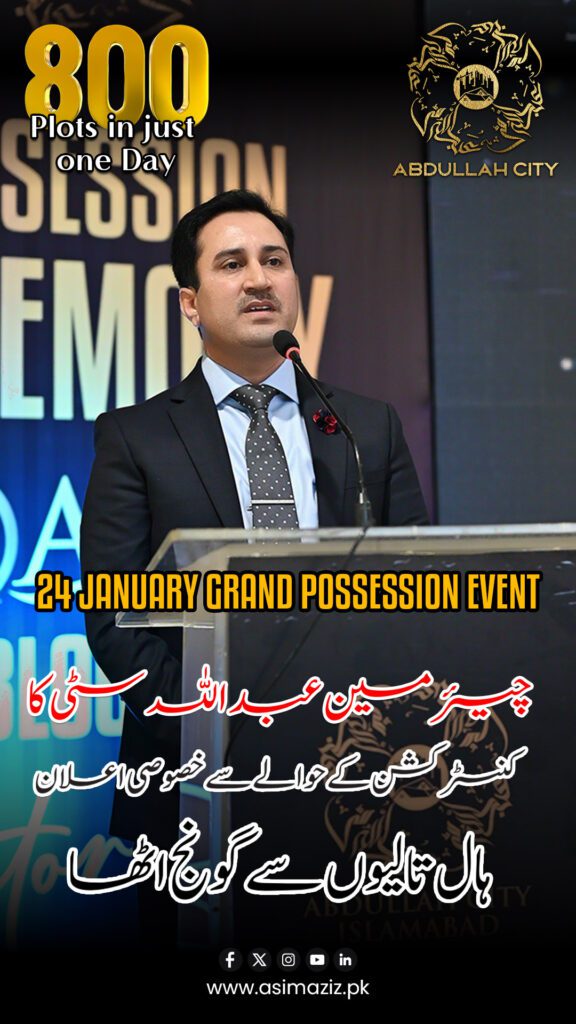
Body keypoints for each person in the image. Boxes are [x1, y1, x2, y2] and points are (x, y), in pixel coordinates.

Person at [80, 188, 429, 942]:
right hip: (195, 779)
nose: (260, 279)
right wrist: (216, 728)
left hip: (355, 768)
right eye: (232, 264)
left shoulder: (365, 427)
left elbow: (420, 589)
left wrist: (367, 722)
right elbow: (114, 618)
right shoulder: (136, 437)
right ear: (190, 302)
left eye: (275, 260)